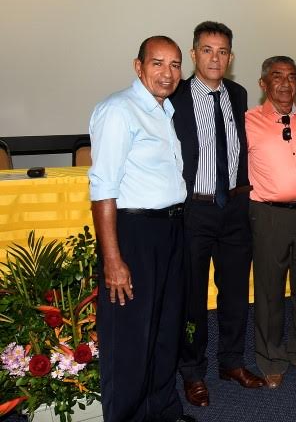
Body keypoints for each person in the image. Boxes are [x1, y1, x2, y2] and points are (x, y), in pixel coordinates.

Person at [89, 35, 195, 422]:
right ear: (139, 66)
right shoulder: (119, 110)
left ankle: (163, 411)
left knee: (166, 331)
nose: (167, 74)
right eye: (157, 63)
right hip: (134, 234)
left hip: (170, 230)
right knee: (132, 338)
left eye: (175, 65)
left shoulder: (164, 111)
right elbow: (103, 189)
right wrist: (113, 259)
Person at [173, 21, 264, 407]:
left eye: (223, 51)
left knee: (235, 293)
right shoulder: (174, 95)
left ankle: (231, 362)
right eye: (207, 50)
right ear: (194, 54)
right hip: (194, 210)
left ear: (231, 56)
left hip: (235, 209)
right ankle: (192, 371)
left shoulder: (239, 95)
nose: (216, 57)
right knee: (191, 296)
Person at [245, 56, 296, 389]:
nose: (285, 84)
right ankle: (271, 359)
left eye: (292, 77)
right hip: (268, 215)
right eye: (277, 77)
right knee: (269, 291)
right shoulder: (246, 121)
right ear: (263, 84)